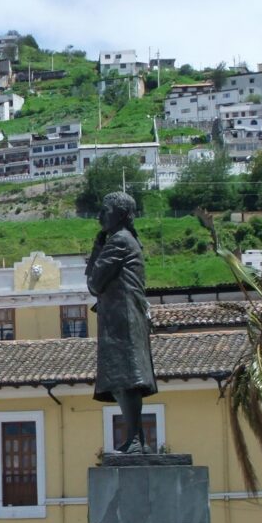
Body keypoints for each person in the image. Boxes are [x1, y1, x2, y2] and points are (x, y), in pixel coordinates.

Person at [86, 191, 157, 454]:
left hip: (122, 318)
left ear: (120, 214)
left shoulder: (119, 241)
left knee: (126, 378)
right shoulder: (123, 240)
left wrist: (97, 246)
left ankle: (137, 439)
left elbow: (94, 282)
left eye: (105, 210)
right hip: (121, 317)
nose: (99, 215)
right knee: (122, 380)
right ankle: (136, 437)